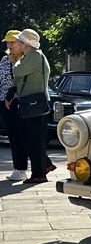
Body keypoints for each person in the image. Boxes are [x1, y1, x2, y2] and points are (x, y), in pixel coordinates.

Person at [9, 29, 54, 184]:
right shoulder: (31, 56)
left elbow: (17, 70)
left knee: (32, 140)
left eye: (19, 41)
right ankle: (43, 167)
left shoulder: (34, 56)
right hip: (30, 104)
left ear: (25, 44)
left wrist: (16, 61)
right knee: (25, 138)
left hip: (34, 104)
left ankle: (39, 173)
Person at [0, 30, 28, 180]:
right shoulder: (4, 59)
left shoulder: (25, 59)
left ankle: (22, 169)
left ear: (21, 43)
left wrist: (11, 96)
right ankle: (18, 169)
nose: (9, 45)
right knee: (12, 135)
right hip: (3, 102)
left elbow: (22, 82)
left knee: (20, 135)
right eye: (7, 42)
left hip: (19, 101)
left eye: (12, 42)